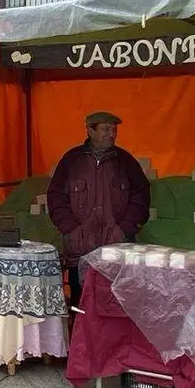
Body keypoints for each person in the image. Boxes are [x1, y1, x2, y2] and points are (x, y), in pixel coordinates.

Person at [46, 111, 151, 308]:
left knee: (118, 302)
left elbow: (141, 197)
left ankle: (113, 340)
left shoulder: (125, 161)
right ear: (90, 130)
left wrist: (125, 229)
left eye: (114, 130)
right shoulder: (71, 160)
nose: (111, 134)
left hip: (117, 247)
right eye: (105, 129)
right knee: (81, 304)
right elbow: (55, 197)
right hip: (81, 248)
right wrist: (71, 230)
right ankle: (82, 339)